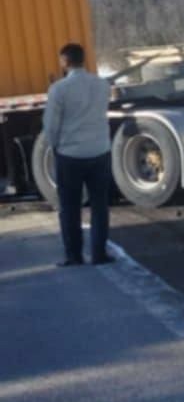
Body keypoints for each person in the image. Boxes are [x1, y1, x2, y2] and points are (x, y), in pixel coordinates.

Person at [42, 43, 113, 267]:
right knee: (100, 206)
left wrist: (54, 145)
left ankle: (74, 255)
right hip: (100, 150)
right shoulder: (102, 85)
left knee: (70, 207)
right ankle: (99, 254)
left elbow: (51, 124)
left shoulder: (59, 89)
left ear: (64, 61)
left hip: (71, 153)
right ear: (84, 59)